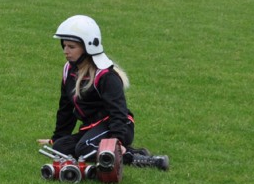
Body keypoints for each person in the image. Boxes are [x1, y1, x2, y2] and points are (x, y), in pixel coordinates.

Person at [37, 15, 168, 168]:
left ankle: (144, 160)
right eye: (64, 45)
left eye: (71, 47)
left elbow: (118, 111)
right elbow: (65, 108)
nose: (66, 51)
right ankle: (134, 152)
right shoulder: (68, 70)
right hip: (93, 127)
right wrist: (57, 138)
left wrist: (116, 141)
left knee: (84, 148)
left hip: (118, 125)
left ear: (88, 48)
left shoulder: (106, 76)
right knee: (60, 148)